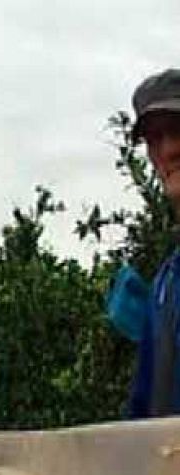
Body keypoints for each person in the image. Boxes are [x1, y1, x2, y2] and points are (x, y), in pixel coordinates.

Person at [128, 68, 180, 419]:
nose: (169, 149)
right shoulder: (165, 285)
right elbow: (143, 421)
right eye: (154, 138)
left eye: (178, 131)